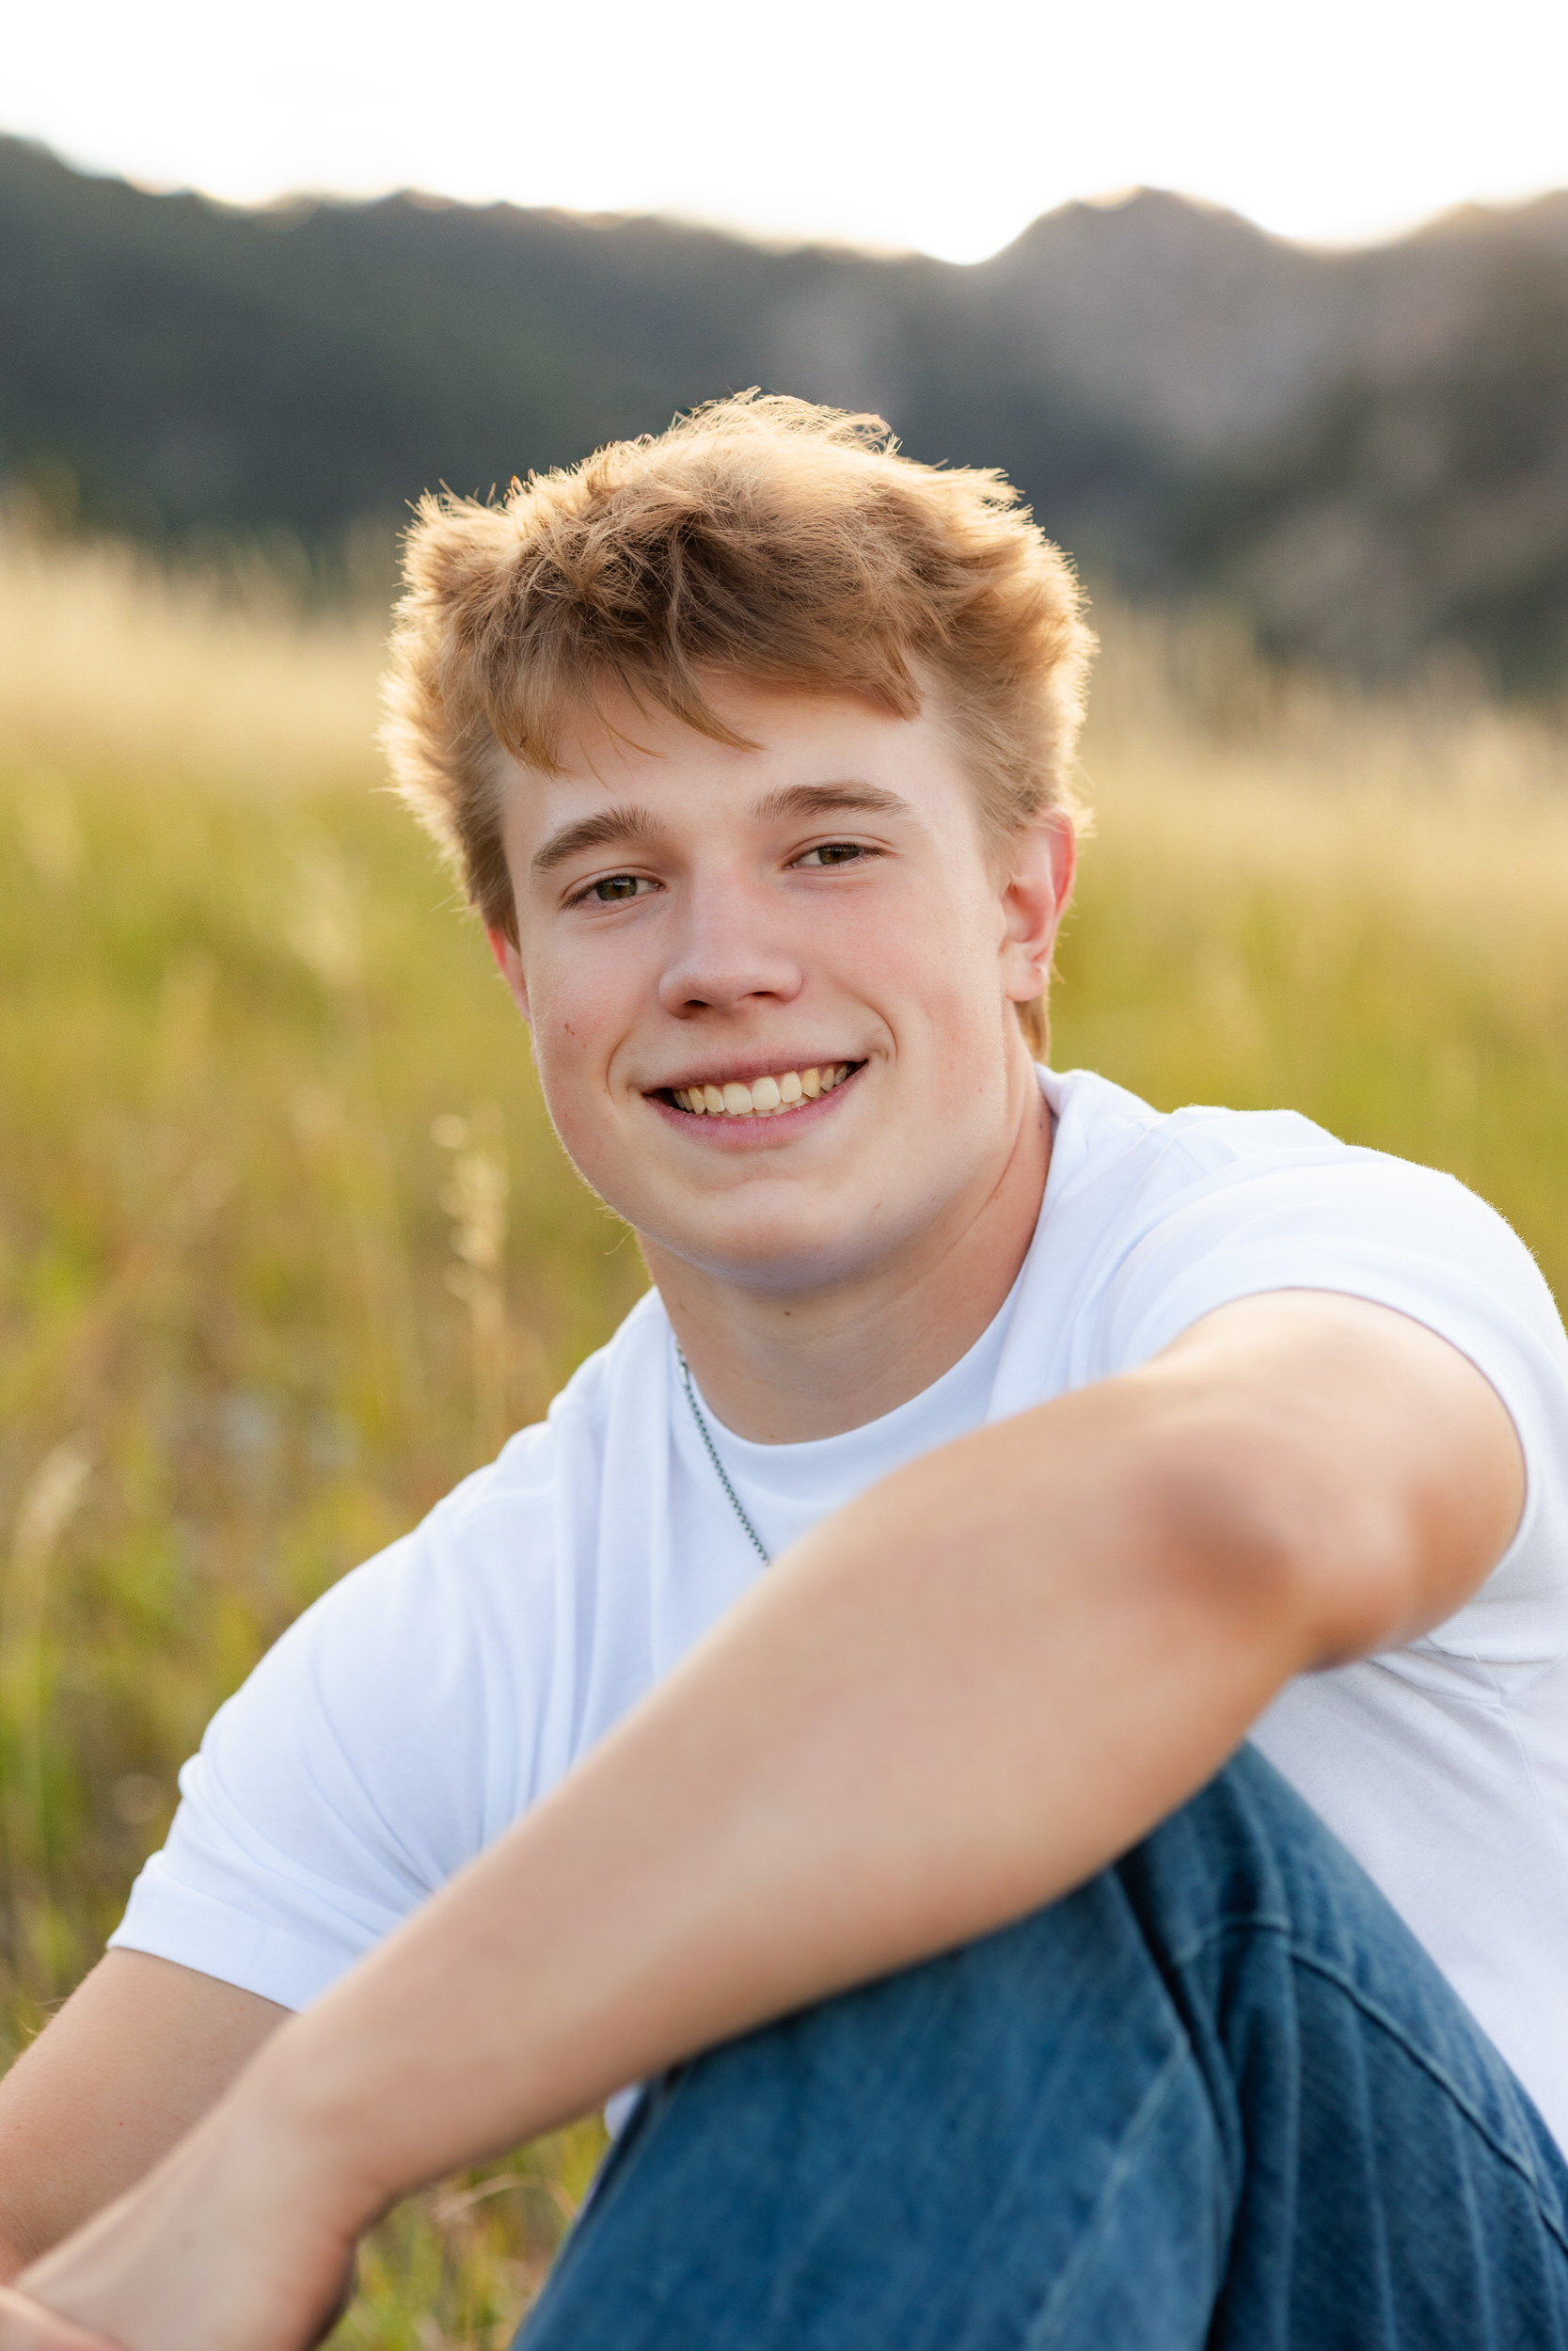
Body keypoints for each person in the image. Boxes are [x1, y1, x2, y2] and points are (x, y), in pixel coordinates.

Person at [2, 392, 1567, 2351]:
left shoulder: (1304, 1259)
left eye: (828, 845)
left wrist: (301, 2138)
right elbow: (49, 2227)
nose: (722, 958)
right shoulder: (479, 1621)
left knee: (1021, 1818)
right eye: (610, 882)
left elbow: (1209, 1519)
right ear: (518, 968)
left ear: (1022, 903)